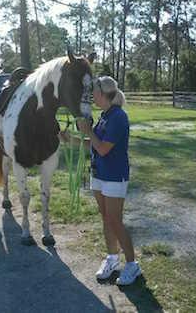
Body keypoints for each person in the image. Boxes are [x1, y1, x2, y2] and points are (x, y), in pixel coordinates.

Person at [60, 76, 141, 286]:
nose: (91, 96)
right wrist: (71, 140)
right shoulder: (104, 115)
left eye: (94, 92)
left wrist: (87, 131)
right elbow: (93, 145)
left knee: (115, 220)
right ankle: (112, 258)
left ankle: (132, 265)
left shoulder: (118, 117)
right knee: (106, 218)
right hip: (99, 174)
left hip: (114, 174)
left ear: (103, 94)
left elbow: (104, 148)